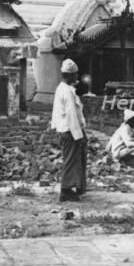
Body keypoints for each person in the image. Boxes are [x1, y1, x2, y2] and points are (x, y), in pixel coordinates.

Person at [51, 58, 87, 202]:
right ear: (70, 75)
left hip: (67, 130)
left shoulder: (64, 89)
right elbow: (72, 115)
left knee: (75, 159)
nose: (77, 77)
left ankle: (75, 186)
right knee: (71, 160)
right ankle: (65, 190)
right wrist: (79, 135)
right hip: (70, 130)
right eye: (75, 75)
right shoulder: (66, 92)